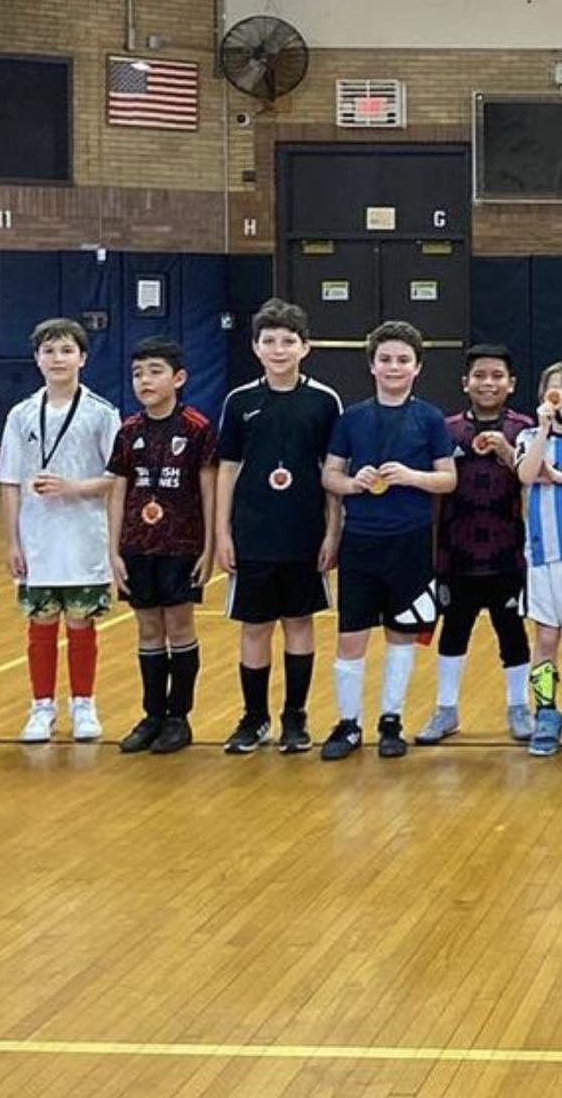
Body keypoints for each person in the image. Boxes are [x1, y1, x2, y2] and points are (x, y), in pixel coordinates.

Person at [321, 320, 456, 760]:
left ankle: (391, 720)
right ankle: (348, 723)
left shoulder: (430, 418)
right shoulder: (352, 418)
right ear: (372, 365)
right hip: (360, 542)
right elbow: (330, 475)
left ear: (417, 367)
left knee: (401, 634)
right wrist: (353, 483)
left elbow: (448, 479)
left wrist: (413, 476)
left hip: (410, 542)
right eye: (385, 359)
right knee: (351, 637)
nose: (393, 367)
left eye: (402, 360)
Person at [216, 297, 341, 755]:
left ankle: (295, 716)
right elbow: (227, 469)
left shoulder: (324, 401)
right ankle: (254, 718)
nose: (279, 349)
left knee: (299, 623)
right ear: (255, 347)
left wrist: (333, 531)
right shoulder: (239, 401)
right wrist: (222, 533)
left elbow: (333, 470)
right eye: (269, 341)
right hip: (253, 533)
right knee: (254, 627)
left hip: (304, 533)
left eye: (288, 341)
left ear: (305, 347)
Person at [0, 318, 120, 743]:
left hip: (85, 536)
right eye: (49, 351)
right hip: (37, 539)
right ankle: (41, 707)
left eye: (66, 350)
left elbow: (117, 477)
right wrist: (12, 541)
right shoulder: (21, 414)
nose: (57, 359)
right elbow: (9, 480)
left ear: (82, 357)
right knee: (41, 622)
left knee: (81, 623)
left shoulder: (101, 413)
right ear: (36, 358)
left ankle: (83, 704)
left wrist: (74, 488)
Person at [416, 344, 533, 745]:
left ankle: (519, 706)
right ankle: (446, 709)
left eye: (497, 376)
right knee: (454, 630)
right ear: (465, 383)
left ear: (511, 384)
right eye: (480, 376)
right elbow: (435, 494)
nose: (488, 383)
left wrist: (507, 453)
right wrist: (432, 549)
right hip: (457, 552)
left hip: (507, 553)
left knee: (511, 632)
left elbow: (532, 481)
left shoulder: (524, 428)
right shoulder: (446, 429)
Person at [108, 337, 216, 754]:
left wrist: (208, 547)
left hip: (181, 544)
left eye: (155, 371)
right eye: (137, 373)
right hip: (137, 545)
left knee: (179, 626)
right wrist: (113, 550)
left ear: (179, 377)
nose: (145, 381)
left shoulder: (197, 428)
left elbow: (208, 489)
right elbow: (118, 490)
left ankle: (178, 717)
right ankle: (152, 715)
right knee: (148, 629)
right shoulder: (128, 430)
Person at [516, 361, 562, 756]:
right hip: (545, 555)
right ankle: (546, 712)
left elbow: (548, 475)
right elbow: (528, 475)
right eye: (555, 388)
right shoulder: (530, 436)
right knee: (546, 638)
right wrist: (545, 430)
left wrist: (558, 476)